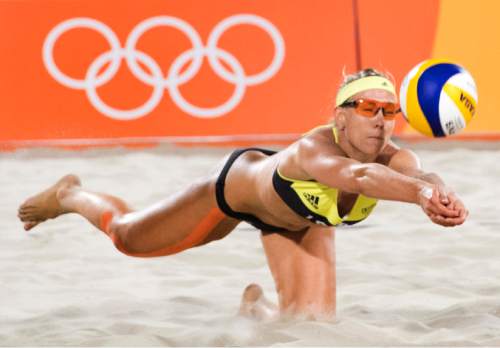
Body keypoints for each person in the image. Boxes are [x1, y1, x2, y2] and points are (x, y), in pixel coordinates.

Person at [18, 68, 468, 320]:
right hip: (233, 192)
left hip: (299, 219)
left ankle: (255, 308)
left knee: (310, 326)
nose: (381, 120)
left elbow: (423, 176)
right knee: (126, 237)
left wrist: (440, 193)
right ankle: (70, 194)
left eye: (389, 111)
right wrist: (420, 196)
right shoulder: (316, 149)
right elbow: (360, 180)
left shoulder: (396, 159)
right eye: (368, 108)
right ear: (340, 117)